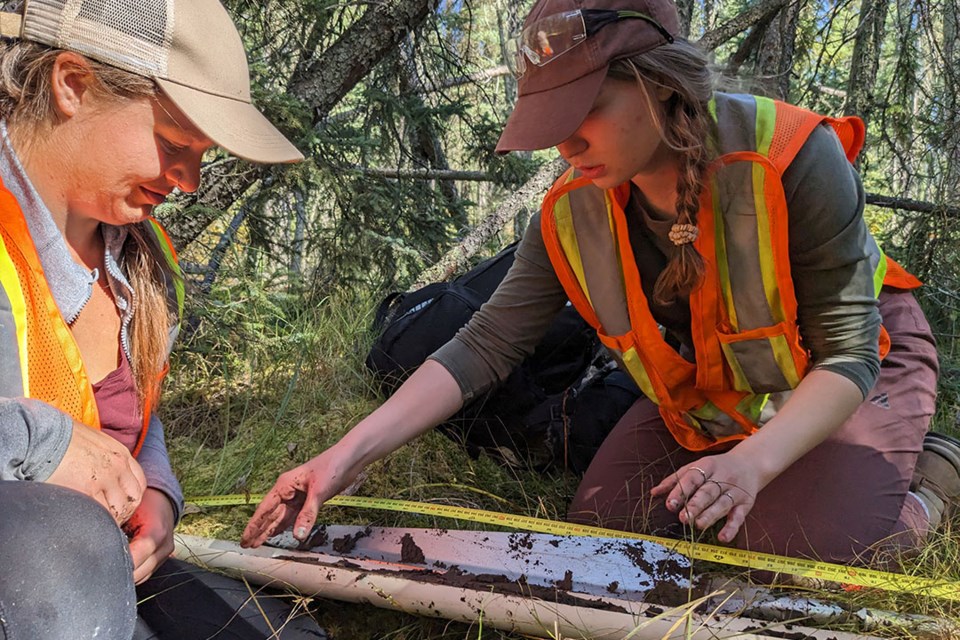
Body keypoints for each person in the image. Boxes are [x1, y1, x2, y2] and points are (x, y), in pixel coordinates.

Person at [242, 0, 959, 574]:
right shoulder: (574, 206)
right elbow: (483, 347)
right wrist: (343, 457)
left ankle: (933, 481)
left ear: (659, 85)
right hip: (714, 392)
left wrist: (754, 462)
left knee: (794, 552)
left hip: (860, 365)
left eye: (583, 114)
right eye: (550, 122)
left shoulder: (790, 155)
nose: (565, 145)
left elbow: (849, 355)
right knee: (603, 536)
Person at [0, 1, 326, 638]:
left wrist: (158, 491)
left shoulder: (145, 260)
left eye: (201, 154)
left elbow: (134, 417)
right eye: (175, 144)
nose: (190, 180)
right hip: (45, 584)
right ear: (72, 85)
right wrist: (41, 443)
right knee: (63, 550)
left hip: (105, 584)